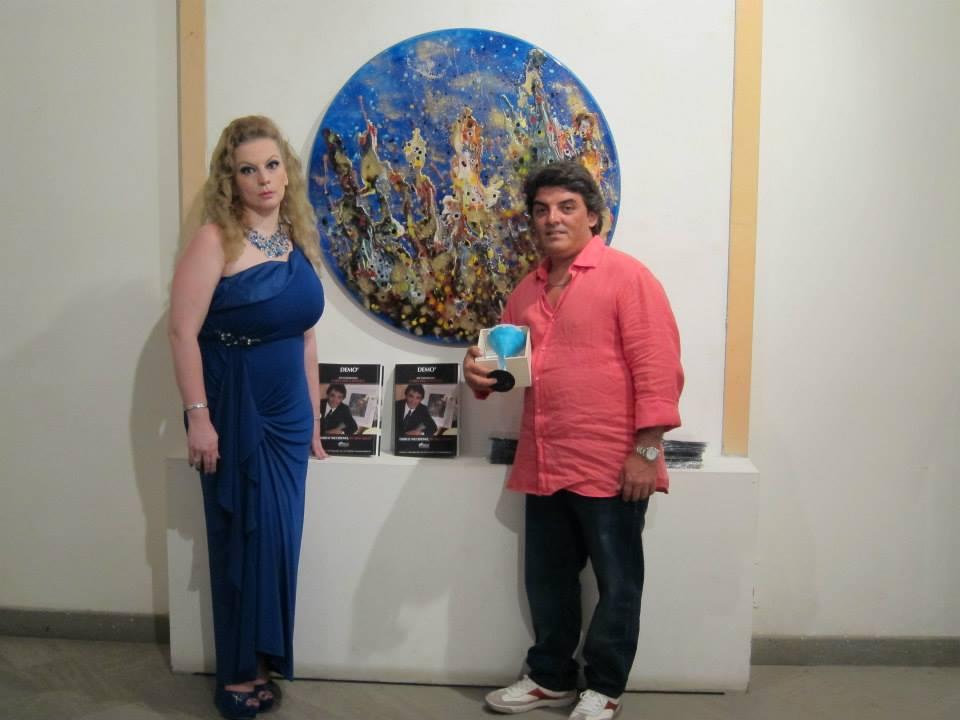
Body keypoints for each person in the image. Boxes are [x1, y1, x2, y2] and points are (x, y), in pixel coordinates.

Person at [463, 161, 683, 720]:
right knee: (550, 583)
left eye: (566, 207)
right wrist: (477, 373)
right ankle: (550, 678)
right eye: (541, 210)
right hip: (544, 460)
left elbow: (659, 370)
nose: (552, 219)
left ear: (593, 217)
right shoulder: (526, 291)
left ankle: (605, 688)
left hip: (613, 464)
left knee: (618, 584)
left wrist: (647, 453)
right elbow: (504, 372)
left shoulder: (628, 277)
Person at [169, 115, 326, 719]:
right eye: (248, 169)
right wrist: (198, 417)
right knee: (240, 535)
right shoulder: (216, 239)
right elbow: (182, 332)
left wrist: (314, 417)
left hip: (289, 417)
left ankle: (263, 661)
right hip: (235, 406)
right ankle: (236, 673)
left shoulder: (296, 239)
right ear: (229, 180)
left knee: (279, 540)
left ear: (287, 171)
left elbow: (306, 337)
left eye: (272, 165)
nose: (263, 178)